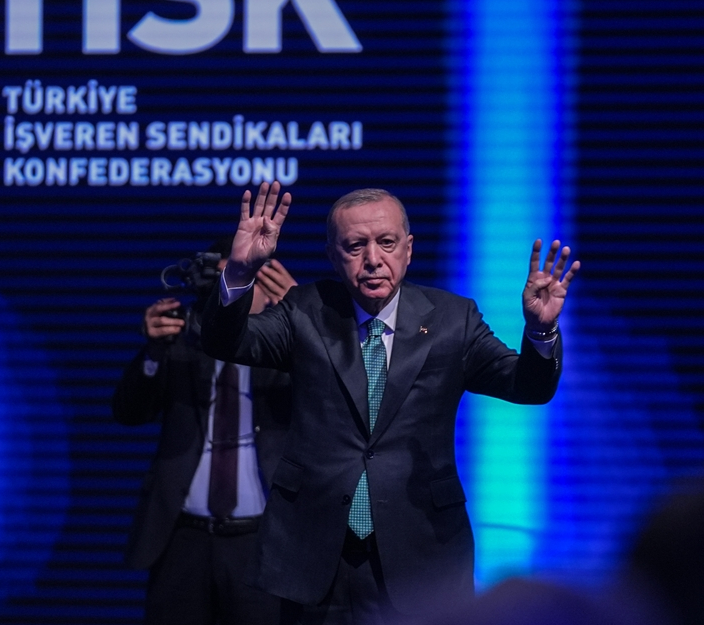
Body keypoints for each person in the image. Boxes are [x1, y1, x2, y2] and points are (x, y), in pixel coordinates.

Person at [200, 183, 580, 623]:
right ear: (332, 254)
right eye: (355, 246)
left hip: (421, 550)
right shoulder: (305, 310)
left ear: (408, 249)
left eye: (386, 242)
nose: (373, 259)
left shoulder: (453, 319)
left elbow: (528, 387)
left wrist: (540, 332)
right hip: (316, 551)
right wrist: (240, 272)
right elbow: (226, 341)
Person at [112, 239, 298, 625]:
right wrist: (153, 352)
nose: (233, 294)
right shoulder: (183, 343)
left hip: (261, 542)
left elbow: (338, 402)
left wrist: (303, 324)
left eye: (246, 280)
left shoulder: (291, 352)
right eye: (227, 282)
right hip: (183, 539)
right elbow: (129, 412)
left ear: (271, 289)